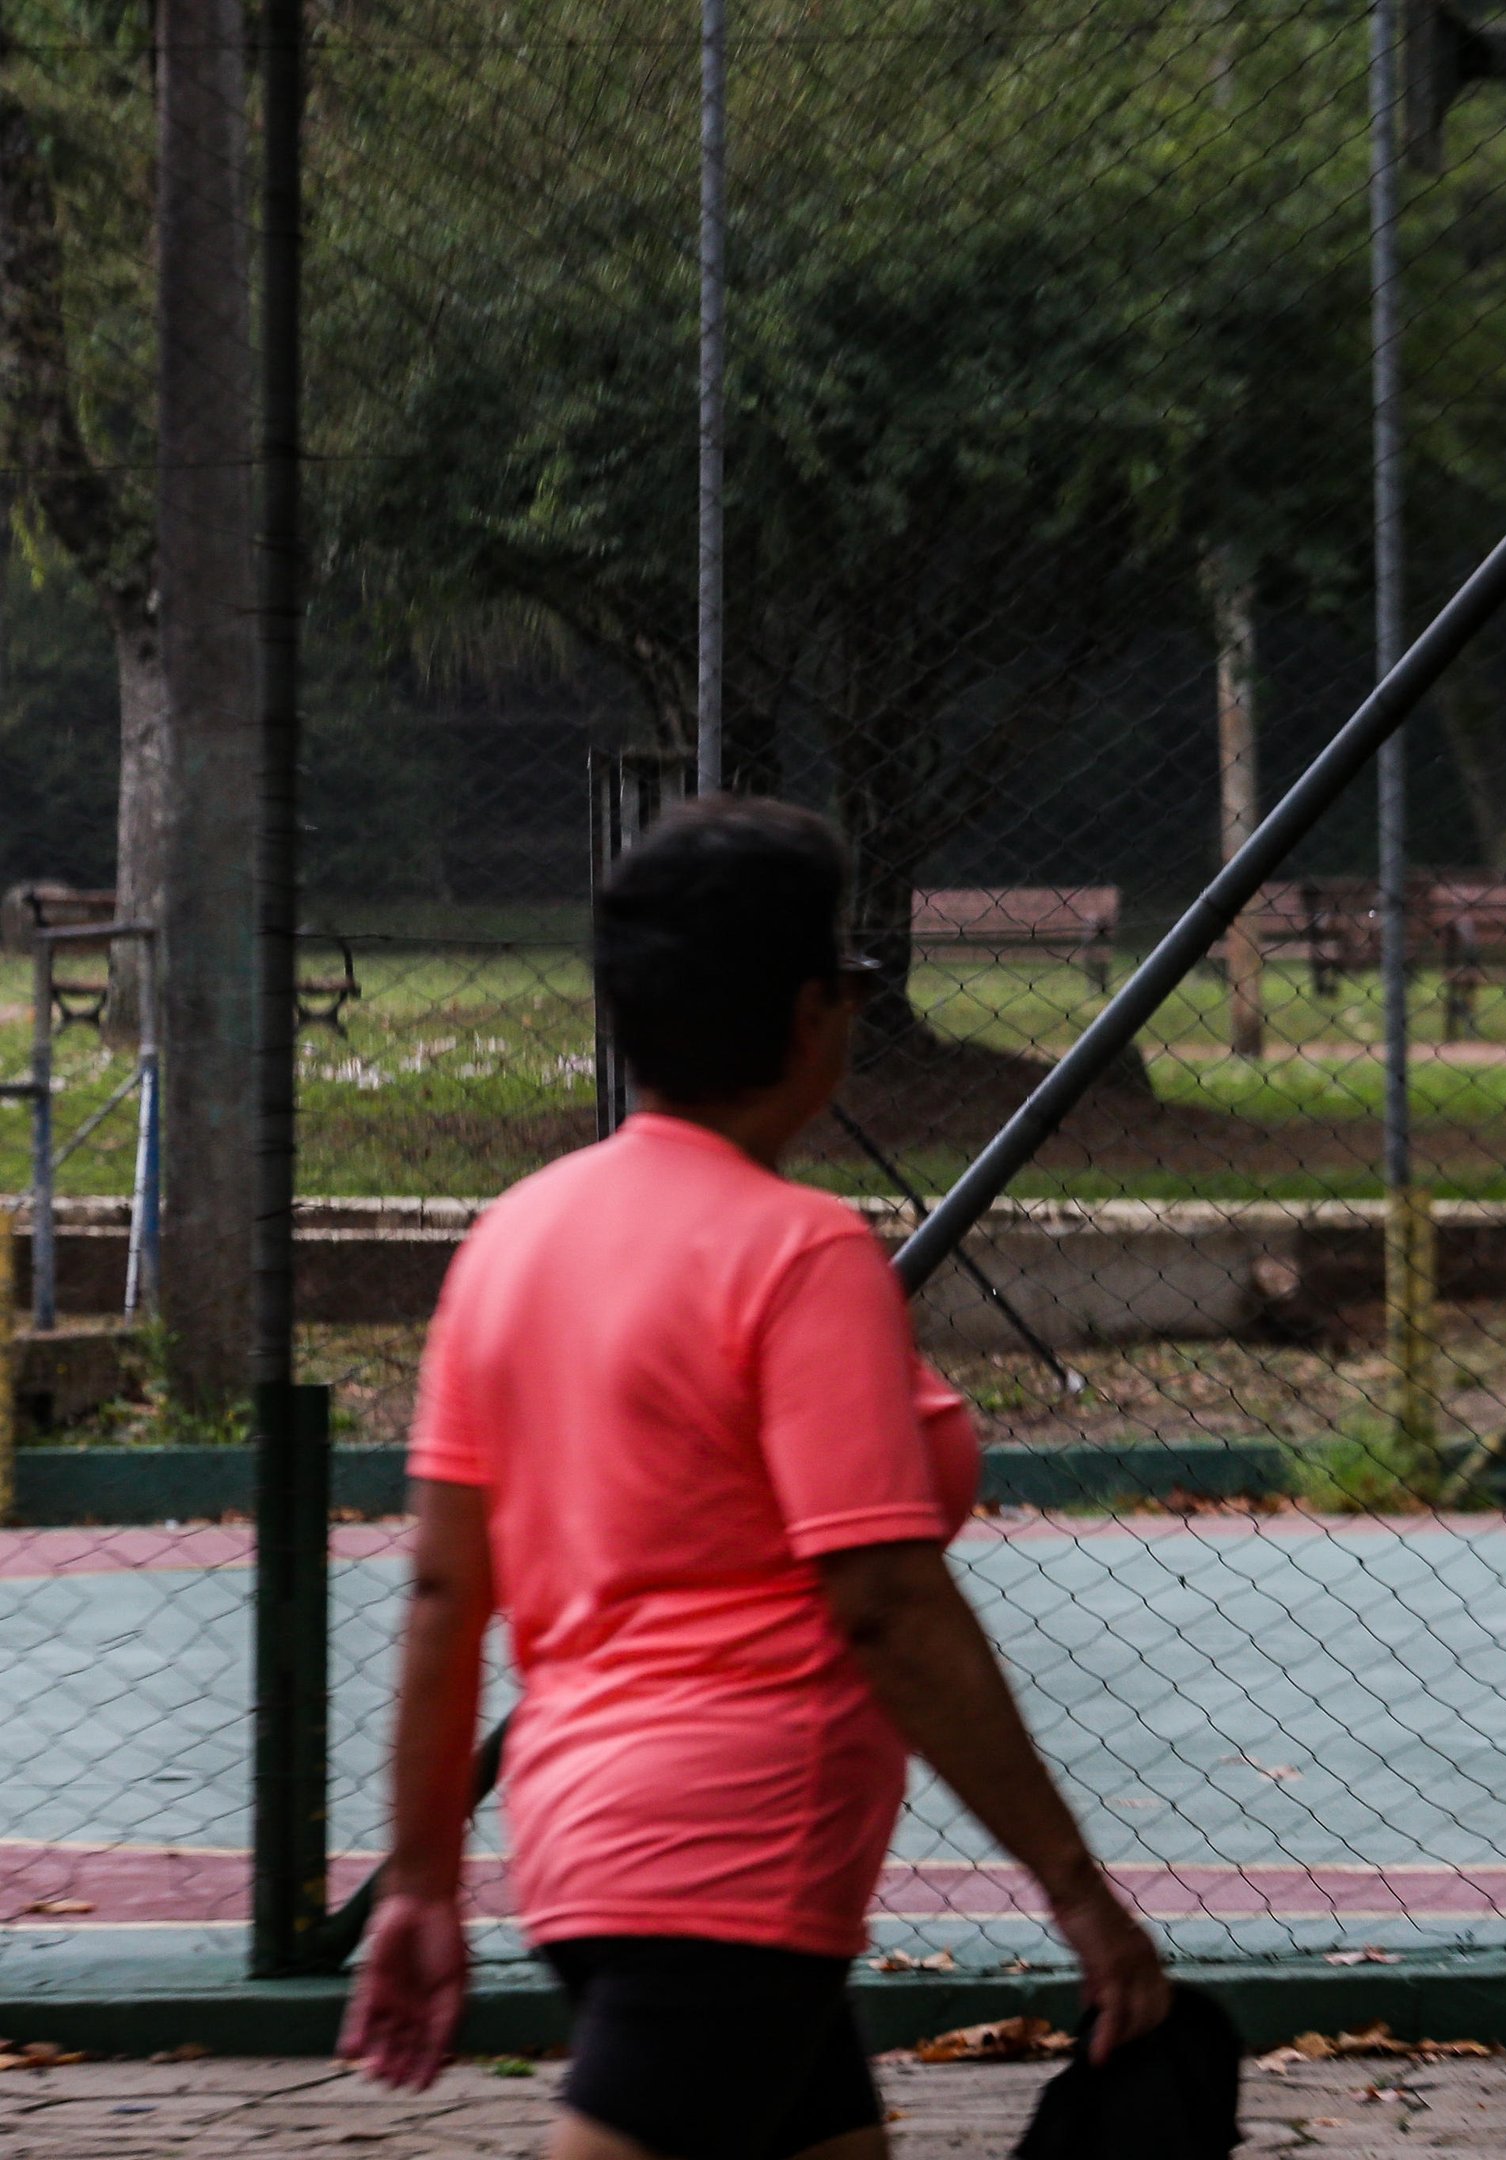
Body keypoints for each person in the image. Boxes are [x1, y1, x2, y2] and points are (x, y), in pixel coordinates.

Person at [341, 797, 1170, 2160]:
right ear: (807, 1017)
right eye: (847, 978)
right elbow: (885, 1604)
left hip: (586, 1849)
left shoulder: (511, 1241)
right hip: (734, 1857)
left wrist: (424, 1881)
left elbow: (444, 1589)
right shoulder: (802, 1256)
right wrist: (1077, 1893)